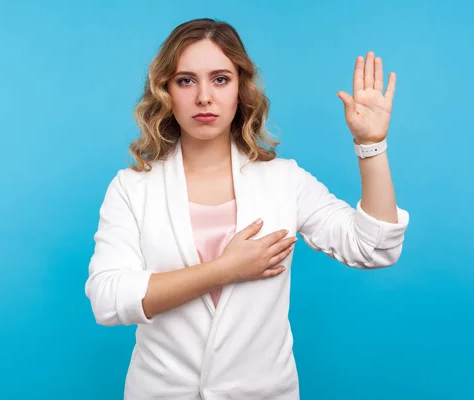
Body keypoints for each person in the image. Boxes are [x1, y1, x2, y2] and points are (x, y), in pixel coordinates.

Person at [85, 17, 409, 400]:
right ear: (166, 91)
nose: (204, 96)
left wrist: (371, 145)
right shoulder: (132, 188)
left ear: (241, 88)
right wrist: (224, 269)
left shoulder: (284, 180)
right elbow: (108, 299)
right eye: (186, 80)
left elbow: (374, 248)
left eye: (220, 79)